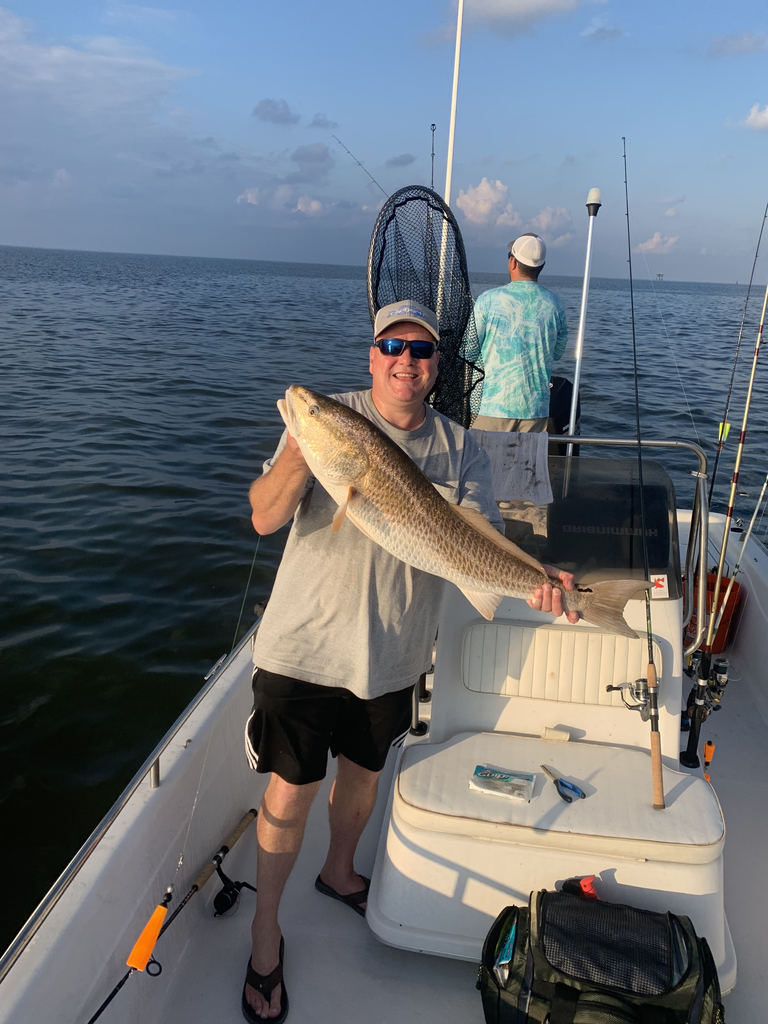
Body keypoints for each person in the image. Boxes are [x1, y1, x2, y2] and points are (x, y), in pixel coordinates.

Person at [242, 299, 577, 1022]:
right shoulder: (331, 425)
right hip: (302, 649)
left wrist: (539, 582)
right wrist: (302, 444)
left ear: (437, 369)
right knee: (289, 795)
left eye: (421, 351)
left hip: (391, 655)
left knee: (361, 782)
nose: (405, 360)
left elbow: (477, 546)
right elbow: (265, 517)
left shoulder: (462, 449)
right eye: (392, 344)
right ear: (371, 355)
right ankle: (266, 933)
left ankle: (338, 872)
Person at [473, 233, 568, 433]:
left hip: (489, 407)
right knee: (526, 465)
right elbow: (557, 352)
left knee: (485, 464)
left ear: (513, 262)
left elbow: (467, 349)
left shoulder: (487, 300)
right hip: (535, 409)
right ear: (541, 266)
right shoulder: (555, 305)